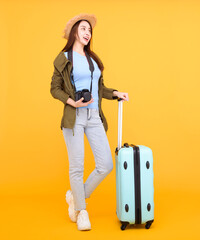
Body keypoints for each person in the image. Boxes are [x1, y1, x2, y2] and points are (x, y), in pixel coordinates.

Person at [50, 13, 129, 231]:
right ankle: (81, 212)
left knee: (106, 164)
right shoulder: (63, 58)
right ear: (74, 31)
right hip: (74, 116)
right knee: (77, 167)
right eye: (83, 28)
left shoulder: (93, 60)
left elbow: (98, 90)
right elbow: (54, 88)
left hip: (94, 116)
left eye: (90, 30)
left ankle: (75, 198)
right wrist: (71, 102)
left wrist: (115, 93)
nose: (87, 33)